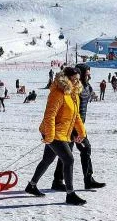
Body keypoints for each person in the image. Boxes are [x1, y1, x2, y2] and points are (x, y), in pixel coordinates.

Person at [25, 67, 87, 205]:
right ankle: (70, 194)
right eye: (74, 78)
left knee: (47, 159)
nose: (77, 81)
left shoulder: (73, 94)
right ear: (66, 78)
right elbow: (50, 115)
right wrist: (50, 136)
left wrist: (82, 133)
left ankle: (32, 185)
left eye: (78, 78)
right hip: (52, 132)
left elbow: (76, 115)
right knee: (69, 159)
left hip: (62, 132)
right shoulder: (58, 93)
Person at [52, 64, 106, 191]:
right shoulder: (74, 88)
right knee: (84, 149)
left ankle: (58, 180)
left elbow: (88, 98)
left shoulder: (86, 86)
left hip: (79, 125)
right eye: (87, 74)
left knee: (67, 154)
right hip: (72, 126)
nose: (89, 76)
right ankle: (87, 180)